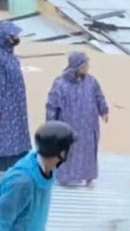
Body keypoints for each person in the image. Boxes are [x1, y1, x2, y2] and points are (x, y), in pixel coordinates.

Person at [45, 52, 109, 188]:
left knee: (88, 151)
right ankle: (64, 177)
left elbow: (99, 96)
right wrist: (50, 123)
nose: (88, 67)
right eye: (86, 64)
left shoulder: (91, 82)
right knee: (67, 151)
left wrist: (104, 110)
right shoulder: (60, 83)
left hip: (88, 125)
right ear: (78, 66)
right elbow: (52, 104)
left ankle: (89, 178)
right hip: (68, 125)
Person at [0, 20, 31, 178]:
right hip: (4, 106)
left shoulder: (8, 53)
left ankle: (15, 167)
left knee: (15, 137)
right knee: (0, 136)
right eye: (13, 36)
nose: (16, 38)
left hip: (15, 106)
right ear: (5, 37)